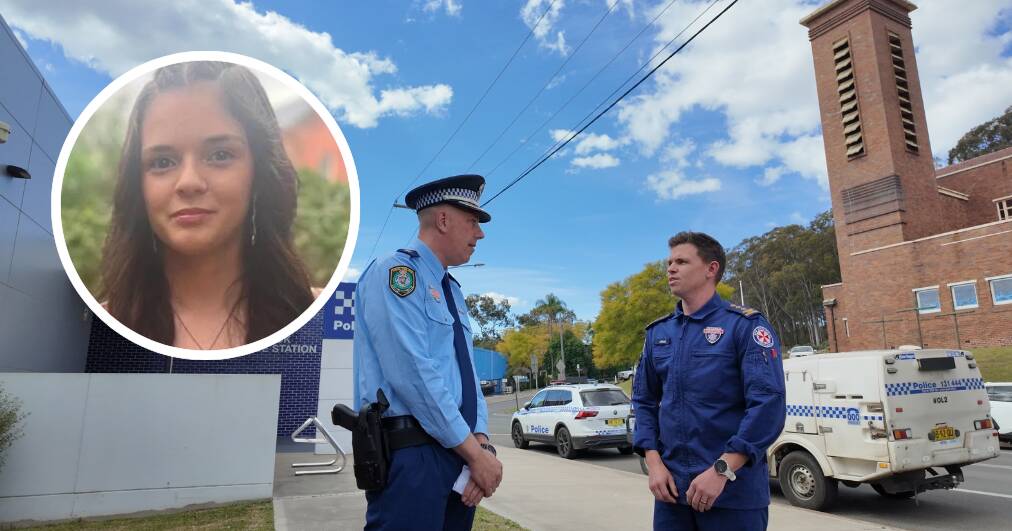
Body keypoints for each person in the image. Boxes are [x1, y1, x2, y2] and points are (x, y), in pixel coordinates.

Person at [100, 61, 317, 349]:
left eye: (220, 155)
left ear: (260, 171)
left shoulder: (318, 312)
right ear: (137, 183)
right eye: (163, 162)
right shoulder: (102, 322)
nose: (189, 182)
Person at [353, 174, 503, 530]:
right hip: (414, 455)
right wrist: (473, 453)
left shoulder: (453, 290)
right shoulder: (397, 273)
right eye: (472, 222)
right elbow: (412, 374)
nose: (479, 234)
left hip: (459, 456)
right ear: (443, 220)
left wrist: (480, 448)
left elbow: (466, 376)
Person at [632, 231, 786, 530]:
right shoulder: (659, 334)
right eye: (669, 262)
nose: (670, 269)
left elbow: (768, 403)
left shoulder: (744, 326)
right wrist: (654, 464)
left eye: (681, 261)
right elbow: (644, 401)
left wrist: (722, 470)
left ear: (711, 269)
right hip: (671, 495)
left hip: (732, 495)